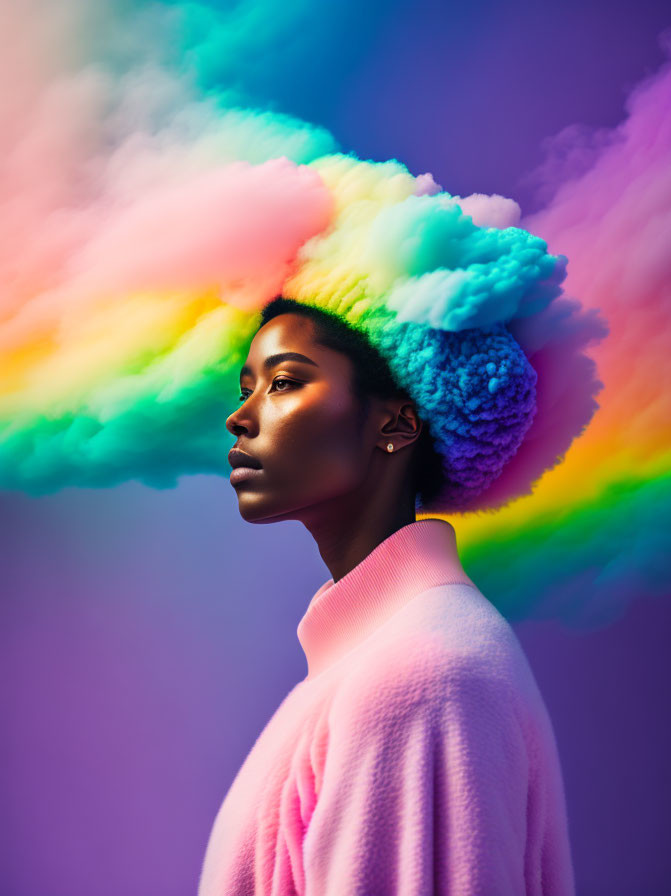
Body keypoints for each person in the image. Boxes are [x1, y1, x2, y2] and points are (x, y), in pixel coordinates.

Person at [198, 295, 577, 895]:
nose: (240, 417)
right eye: (245, 387)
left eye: (284, 381)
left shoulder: (421, 676)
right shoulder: (369, 664)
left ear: (396, 424)